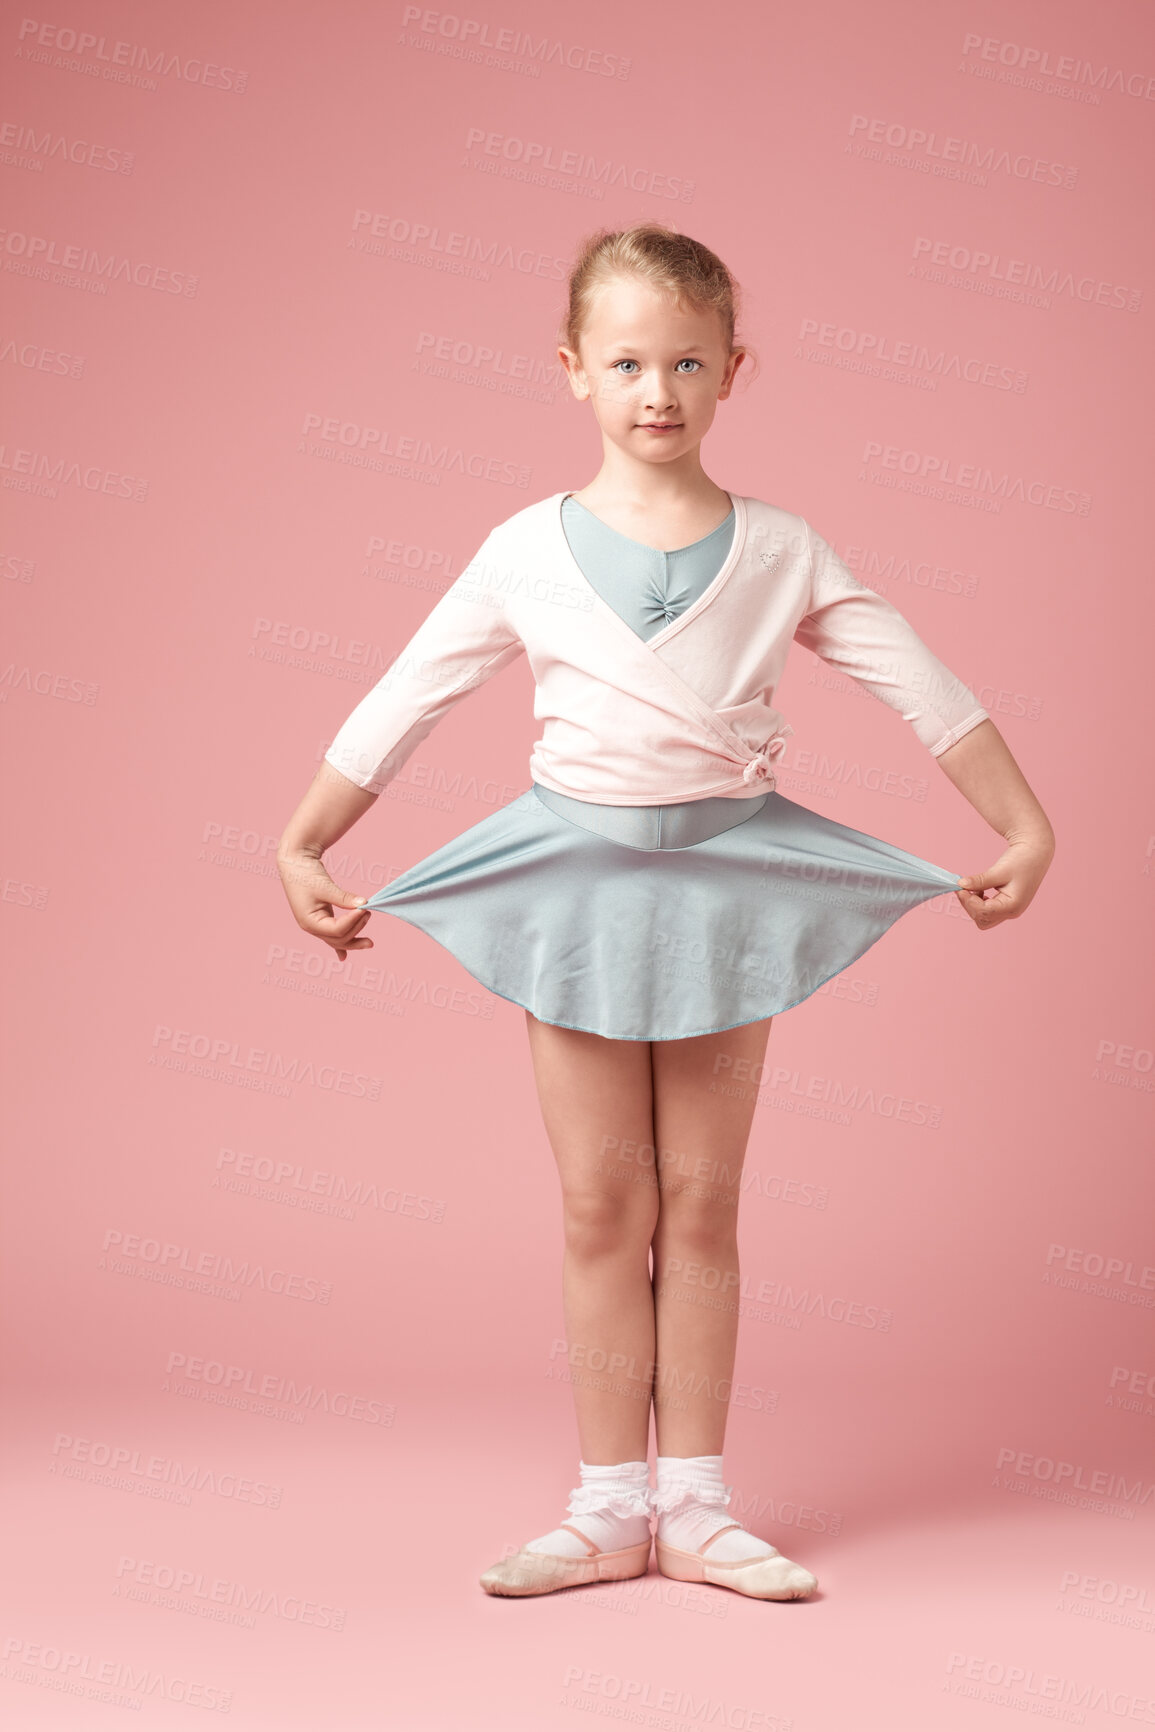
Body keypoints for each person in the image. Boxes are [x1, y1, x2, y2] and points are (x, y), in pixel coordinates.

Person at [276, 222, 1055, 1602]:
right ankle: (603, 1508)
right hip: (569, 887)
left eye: (688, 360)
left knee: (699, 1204)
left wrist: (1020, 821)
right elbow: (414, 691)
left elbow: (917, 679)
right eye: (628, 360)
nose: (657, 389)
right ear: (570, 370)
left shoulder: (783, 546)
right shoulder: (523, 547)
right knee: (597, 1205)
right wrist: (308, 836)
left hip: (726, 885)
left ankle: (693, 1503)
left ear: (733, 372)